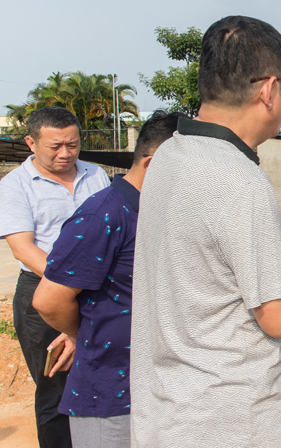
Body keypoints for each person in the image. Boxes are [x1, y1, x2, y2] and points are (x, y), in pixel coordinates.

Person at [129, 16, 281, 448]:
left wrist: (278, 266)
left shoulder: (167, 156)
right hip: (230, 420)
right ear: (269, 90)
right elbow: (277, 317)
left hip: (167, 412)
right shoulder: (241, 180)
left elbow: (200, 271)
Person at [31, 111, 184, 447]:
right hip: (110, 397)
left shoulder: (153, 211)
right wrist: (83, 332)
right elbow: (49, 300)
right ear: (153, 164)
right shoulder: (105, 213)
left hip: (153, 388)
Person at [0, 107, 110, 448]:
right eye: (55, 146)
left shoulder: (96, 175)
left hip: (98, 290)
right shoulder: (14, 185)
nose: (66, 153)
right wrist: (69, 287)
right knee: (57, 387)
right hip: (43, 294)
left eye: (73, 145)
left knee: (103, 379)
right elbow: (23, 249)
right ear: (32, 143)